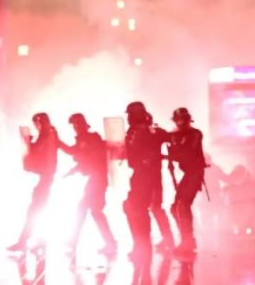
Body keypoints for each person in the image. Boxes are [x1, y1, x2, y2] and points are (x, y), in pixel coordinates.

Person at [62, 113, 117, 256]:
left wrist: (57, 142)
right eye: (74, 125)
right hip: (95, 179)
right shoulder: (85, 139)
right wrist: (73, 170)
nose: (75, 127)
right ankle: (75, 240)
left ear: (83, 124)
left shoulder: (91, 138)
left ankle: (110, 243)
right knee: (89, 210)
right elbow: (83, 158)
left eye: (77, 124)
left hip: (98, 179)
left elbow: (89, 157)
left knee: (93, 211)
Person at [123, 102, 172, 262]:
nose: (129, 118)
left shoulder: (150, 131)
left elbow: (172, 139)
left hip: (146, 177)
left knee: (139, 209)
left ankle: (143, 245)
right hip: (144, 176)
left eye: (131, 114)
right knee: (150, 208)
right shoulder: (144, 130)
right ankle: (151, 243)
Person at [8, 112, 59, 252]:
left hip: (46, 178)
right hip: (45, 177)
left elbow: (38, 151)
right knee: (36, 209)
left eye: (38, 123)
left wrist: (28, 143)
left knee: (35, 210)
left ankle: (27, 241)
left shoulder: (48, 136)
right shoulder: (50, 135)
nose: (37, 126)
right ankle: (32, 240)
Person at [167, 107, 206, 255]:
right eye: (178, 119)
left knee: (182, 205)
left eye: (183, 119)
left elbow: (187, 152)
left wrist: (172, 154)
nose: (180, 122)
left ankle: (187, 241)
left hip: (195, 173)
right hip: (188, 173)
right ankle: (187, 238)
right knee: (175, 207)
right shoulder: (174, 135)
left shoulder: (195, 134)